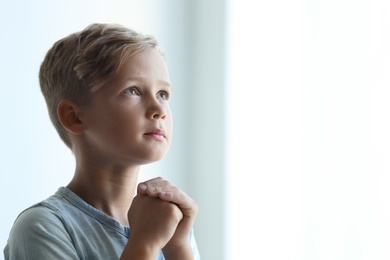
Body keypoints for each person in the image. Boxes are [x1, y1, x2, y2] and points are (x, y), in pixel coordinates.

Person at [4, 23, 200, 260]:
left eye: (163, 94)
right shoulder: (43, 227)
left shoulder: (168, 221)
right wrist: (145, 244)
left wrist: (178, 246)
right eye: (133, 91)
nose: (160, 109)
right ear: (74, 116)